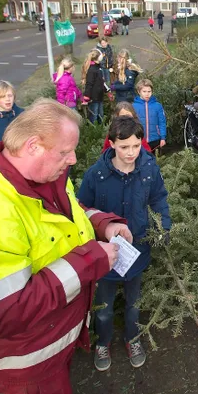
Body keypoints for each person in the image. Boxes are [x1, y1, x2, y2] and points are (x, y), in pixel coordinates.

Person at [0, 99, 128, 394]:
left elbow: (66, 215)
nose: (74, 158)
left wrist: (102, 224)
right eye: (66, 151)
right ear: (33, 146)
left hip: (47, 346)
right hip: (21, 365)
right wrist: (92, 259)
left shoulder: (40, 174)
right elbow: (7, 313)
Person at [77, 116, 171, 372]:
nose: (130, 153)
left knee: (134, 303)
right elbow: (81, 209)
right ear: (112, 144)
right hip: (106, 254)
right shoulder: (96, 175)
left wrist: (163, 226)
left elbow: (159, 200)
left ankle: (133, 338)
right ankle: (103, 342)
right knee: (104, 306)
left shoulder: (149, 170)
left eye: (136, 146)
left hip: (138, 250)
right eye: (124, 147)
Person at [133, 78, 167, 151]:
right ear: (139, 92)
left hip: (155, 139)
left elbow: (162, 122)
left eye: (149, 91)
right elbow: (131, 124)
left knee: (154, 160)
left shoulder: (158, 106)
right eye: (144, 91)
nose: (147, 94)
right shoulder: (133, 106)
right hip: (139, 140)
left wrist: (163, 138)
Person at [81, 49, 109, 125]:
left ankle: (101, 130)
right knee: (94, 116)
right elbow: (89, 84)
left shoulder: (98, 68)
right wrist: (86, 97)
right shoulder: (92, 70)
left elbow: (102, 82)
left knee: (101, 115)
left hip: (99, 97)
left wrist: (107, 91)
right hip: (93, 98)